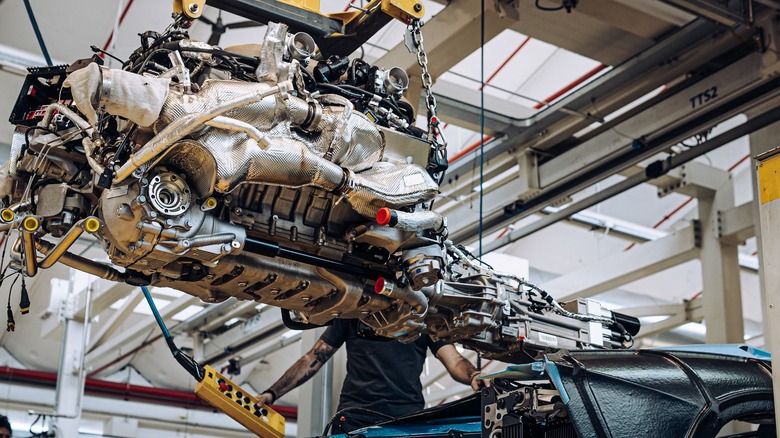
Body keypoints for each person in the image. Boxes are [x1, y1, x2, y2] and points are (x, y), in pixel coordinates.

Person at [256, 319, 488, 433]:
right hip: (355, 419)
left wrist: (473, 376)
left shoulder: (423, 320)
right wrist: (272, 392)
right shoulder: (355, 314)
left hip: (406, 422)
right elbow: (313, 359)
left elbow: (455, 360)